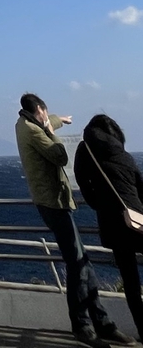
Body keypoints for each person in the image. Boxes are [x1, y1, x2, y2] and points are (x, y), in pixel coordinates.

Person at [15, 93, 132, 345]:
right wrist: (51, 130)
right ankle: (83, 326)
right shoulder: (33, 132)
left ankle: (101, 323)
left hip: (50, 201)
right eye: (47, 113)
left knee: (83, 263)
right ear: (39, 110)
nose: (48, 118)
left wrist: (58, 120)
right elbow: (60, 155)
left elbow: (45, 124)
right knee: (78, 264)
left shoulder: (24, 124)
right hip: (53, 203)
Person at [75, 115, 143, 344]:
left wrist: (100, 205)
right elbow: (140, 188)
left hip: (114, 225)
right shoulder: (123, 154)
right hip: (138, 221)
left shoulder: (86, 151)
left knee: (131, 284)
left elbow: (83, 183)